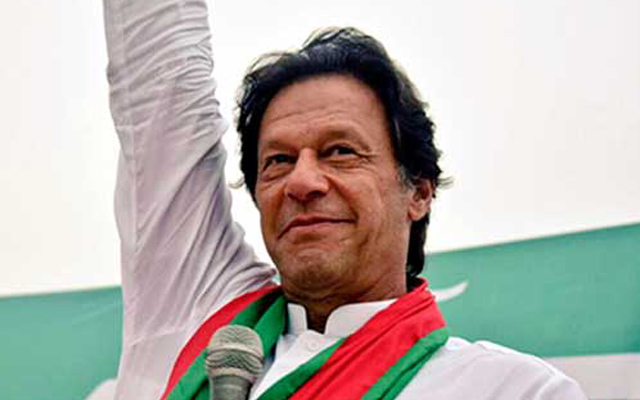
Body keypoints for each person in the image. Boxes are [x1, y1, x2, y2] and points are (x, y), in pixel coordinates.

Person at [103, 0, 588, 399]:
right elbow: (159, 69)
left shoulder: (513, 390)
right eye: (278, 160)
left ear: (419, 191)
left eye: (340, 152)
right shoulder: (199, 311)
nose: (302, 181)